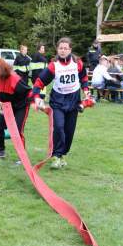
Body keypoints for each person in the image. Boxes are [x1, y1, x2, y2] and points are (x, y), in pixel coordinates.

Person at [32, 37, 90, 169]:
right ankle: (56, 156)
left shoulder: (77, 63)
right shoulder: (53, 66)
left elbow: (84, 78)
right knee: (59, 127)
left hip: (73, 100)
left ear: (70, 49)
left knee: (69, 131)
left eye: (65, 48)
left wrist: (86, 90)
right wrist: (36, 96)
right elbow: (40, 82)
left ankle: (63, 154)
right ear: (57, 50)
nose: (63, 51)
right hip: (57, 101)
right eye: (60, 48)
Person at [0, 58, 32, 158]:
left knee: (17, 131)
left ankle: (22, 157)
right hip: (7, 106)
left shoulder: (14, 78)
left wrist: (36, 101)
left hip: (21, 106)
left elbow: (28, 91)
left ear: (0, 69)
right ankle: (1, 151)